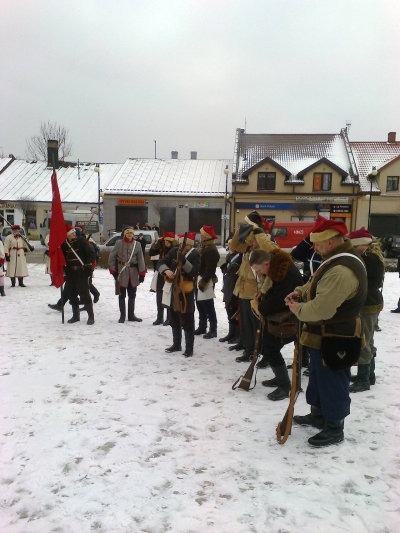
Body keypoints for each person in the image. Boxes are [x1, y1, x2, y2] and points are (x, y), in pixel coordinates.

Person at [286, 218, 367, 447]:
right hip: (323, 334)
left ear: (330, 242)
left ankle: (334, 427)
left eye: (318, 243)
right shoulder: (332, 261)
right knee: (319, 378)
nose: (314, 247)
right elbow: (314, 285)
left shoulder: (341, 269)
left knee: (332, 380)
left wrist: (297, 309)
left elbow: (323, 307)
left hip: (336, 336)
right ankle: (318, 414)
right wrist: (299, 293)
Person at [249, 249, 303, 400]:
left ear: (267, 263)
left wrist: (259, 307)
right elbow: (273, 292)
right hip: (281, 316)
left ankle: (285, 386)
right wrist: (263, 296)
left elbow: (279, 299)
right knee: (269, 348)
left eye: (259, 270)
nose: (259, 274)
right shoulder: (276, 267)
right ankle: (280, 377)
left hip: (288, 318)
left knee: (271, 349)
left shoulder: (284, 272)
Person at [230, 211, 279, 363]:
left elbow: (270, 249)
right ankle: (249, 350)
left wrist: (258, 232)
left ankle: (264, 354)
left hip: (258, 292)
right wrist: (243, 228)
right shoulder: (250, 248)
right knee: (247, 325)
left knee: (260, 326)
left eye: (251, 240)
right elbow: (234, 245)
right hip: (245, 290)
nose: (249, 243)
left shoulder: (266, 243)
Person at [348, 227, 385, 392]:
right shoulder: (372, 255)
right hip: (371, 302)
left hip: (367, 303)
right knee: (368, 339)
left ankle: (364, 379)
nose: (354, 250)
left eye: (356, 247)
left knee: (363, 341)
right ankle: (369, 374)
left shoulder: (368, 258)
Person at [157, 232, 200, 357]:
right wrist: (166, 270)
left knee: (187, 318)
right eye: (180, 243)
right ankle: (176, 344)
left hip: (185, 289)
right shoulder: (174, 251)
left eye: (184, 244)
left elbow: (194, 271)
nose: (181, 246)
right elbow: (161, 262)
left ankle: (189, 348)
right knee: (173, 316)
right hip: (172, 288)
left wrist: (185, 262)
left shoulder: (195, 254)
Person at [108, 225, 146, 323]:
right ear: (125, 234)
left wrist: (142, 274)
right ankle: (122, 316)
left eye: (131, 233)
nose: (130, 235)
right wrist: (114, 272)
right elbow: (111, 258)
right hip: (121, 272)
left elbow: (141, 260)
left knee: (132, 294)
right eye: (128, 233)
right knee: (122, 295)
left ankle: (131, 315)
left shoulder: (137, 244)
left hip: (133, 273)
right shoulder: (118, 243)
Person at [61, 225, 96, 325]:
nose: (74, 234)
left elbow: (91, 254)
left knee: (84, 294)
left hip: (81, 272)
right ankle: (76, 316)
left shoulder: (81, 241)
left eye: (74, 232)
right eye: (71, 233)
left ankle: (91, 317)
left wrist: (89, 267)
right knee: (72, 294)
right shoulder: (64, 245)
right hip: (70, 272)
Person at [195, 225, 220, 339]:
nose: (200, 237)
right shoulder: (205, 247)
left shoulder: (211, 249)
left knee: (208, 304)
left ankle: (213, 329)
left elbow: (210, 268)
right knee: (200, 303)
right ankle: (202, 326)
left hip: (207, 280)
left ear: (206, 236)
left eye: (202, 234)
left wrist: (203, 282)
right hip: (201, 278)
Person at [149, 232, 177, 325]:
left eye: (168, 242)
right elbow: (151, 252)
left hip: (169, 275)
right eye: (165, 242)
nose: (166, 244)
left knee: (168, 295)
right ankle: (159, 317)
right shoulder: (162, 248)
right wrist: (155, 244)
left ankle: (169, 318)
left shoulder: (174, 250)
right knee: (159, 296)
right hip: (160, 274)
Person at [219, 241, 242, 343]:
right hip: (228, 284)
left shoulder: (240, 255)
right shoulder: (230, 255)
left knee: (234, 309)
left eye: (232, 244)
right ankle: (231, 332)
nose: (230, 246)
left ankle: (237, 334)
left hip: (234, 285)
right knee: (228, 308)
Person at [75, 226, 101, 305]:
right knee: (84, 283)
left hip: (88, 265)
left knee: (87, 283)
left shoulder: (87, 242)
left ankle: (95, 294)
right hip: (82, 265)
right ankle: (84, 299)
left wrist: (89, 265)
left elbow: (91, 254)